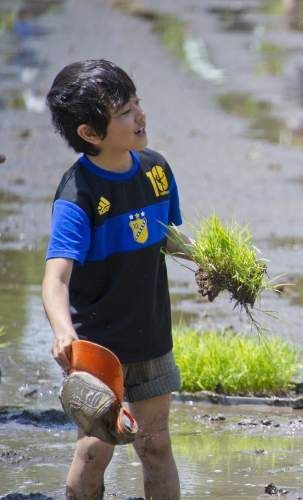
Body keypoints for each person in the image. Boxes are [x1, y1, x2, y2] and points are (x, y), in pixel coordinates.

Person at [42, 59, 185, 499]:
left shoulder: (156, 171)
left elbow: (169, 237)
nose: (139, 116)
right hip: (99, 351)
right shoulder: (78, 195)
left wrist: (218, 265)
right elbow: (55, 279)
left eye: (137, 103)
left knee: (156, 444)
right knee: (94, 451)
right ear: (90, 133)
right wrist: (64, 333)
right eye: (124, 112)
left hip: (152, 338)